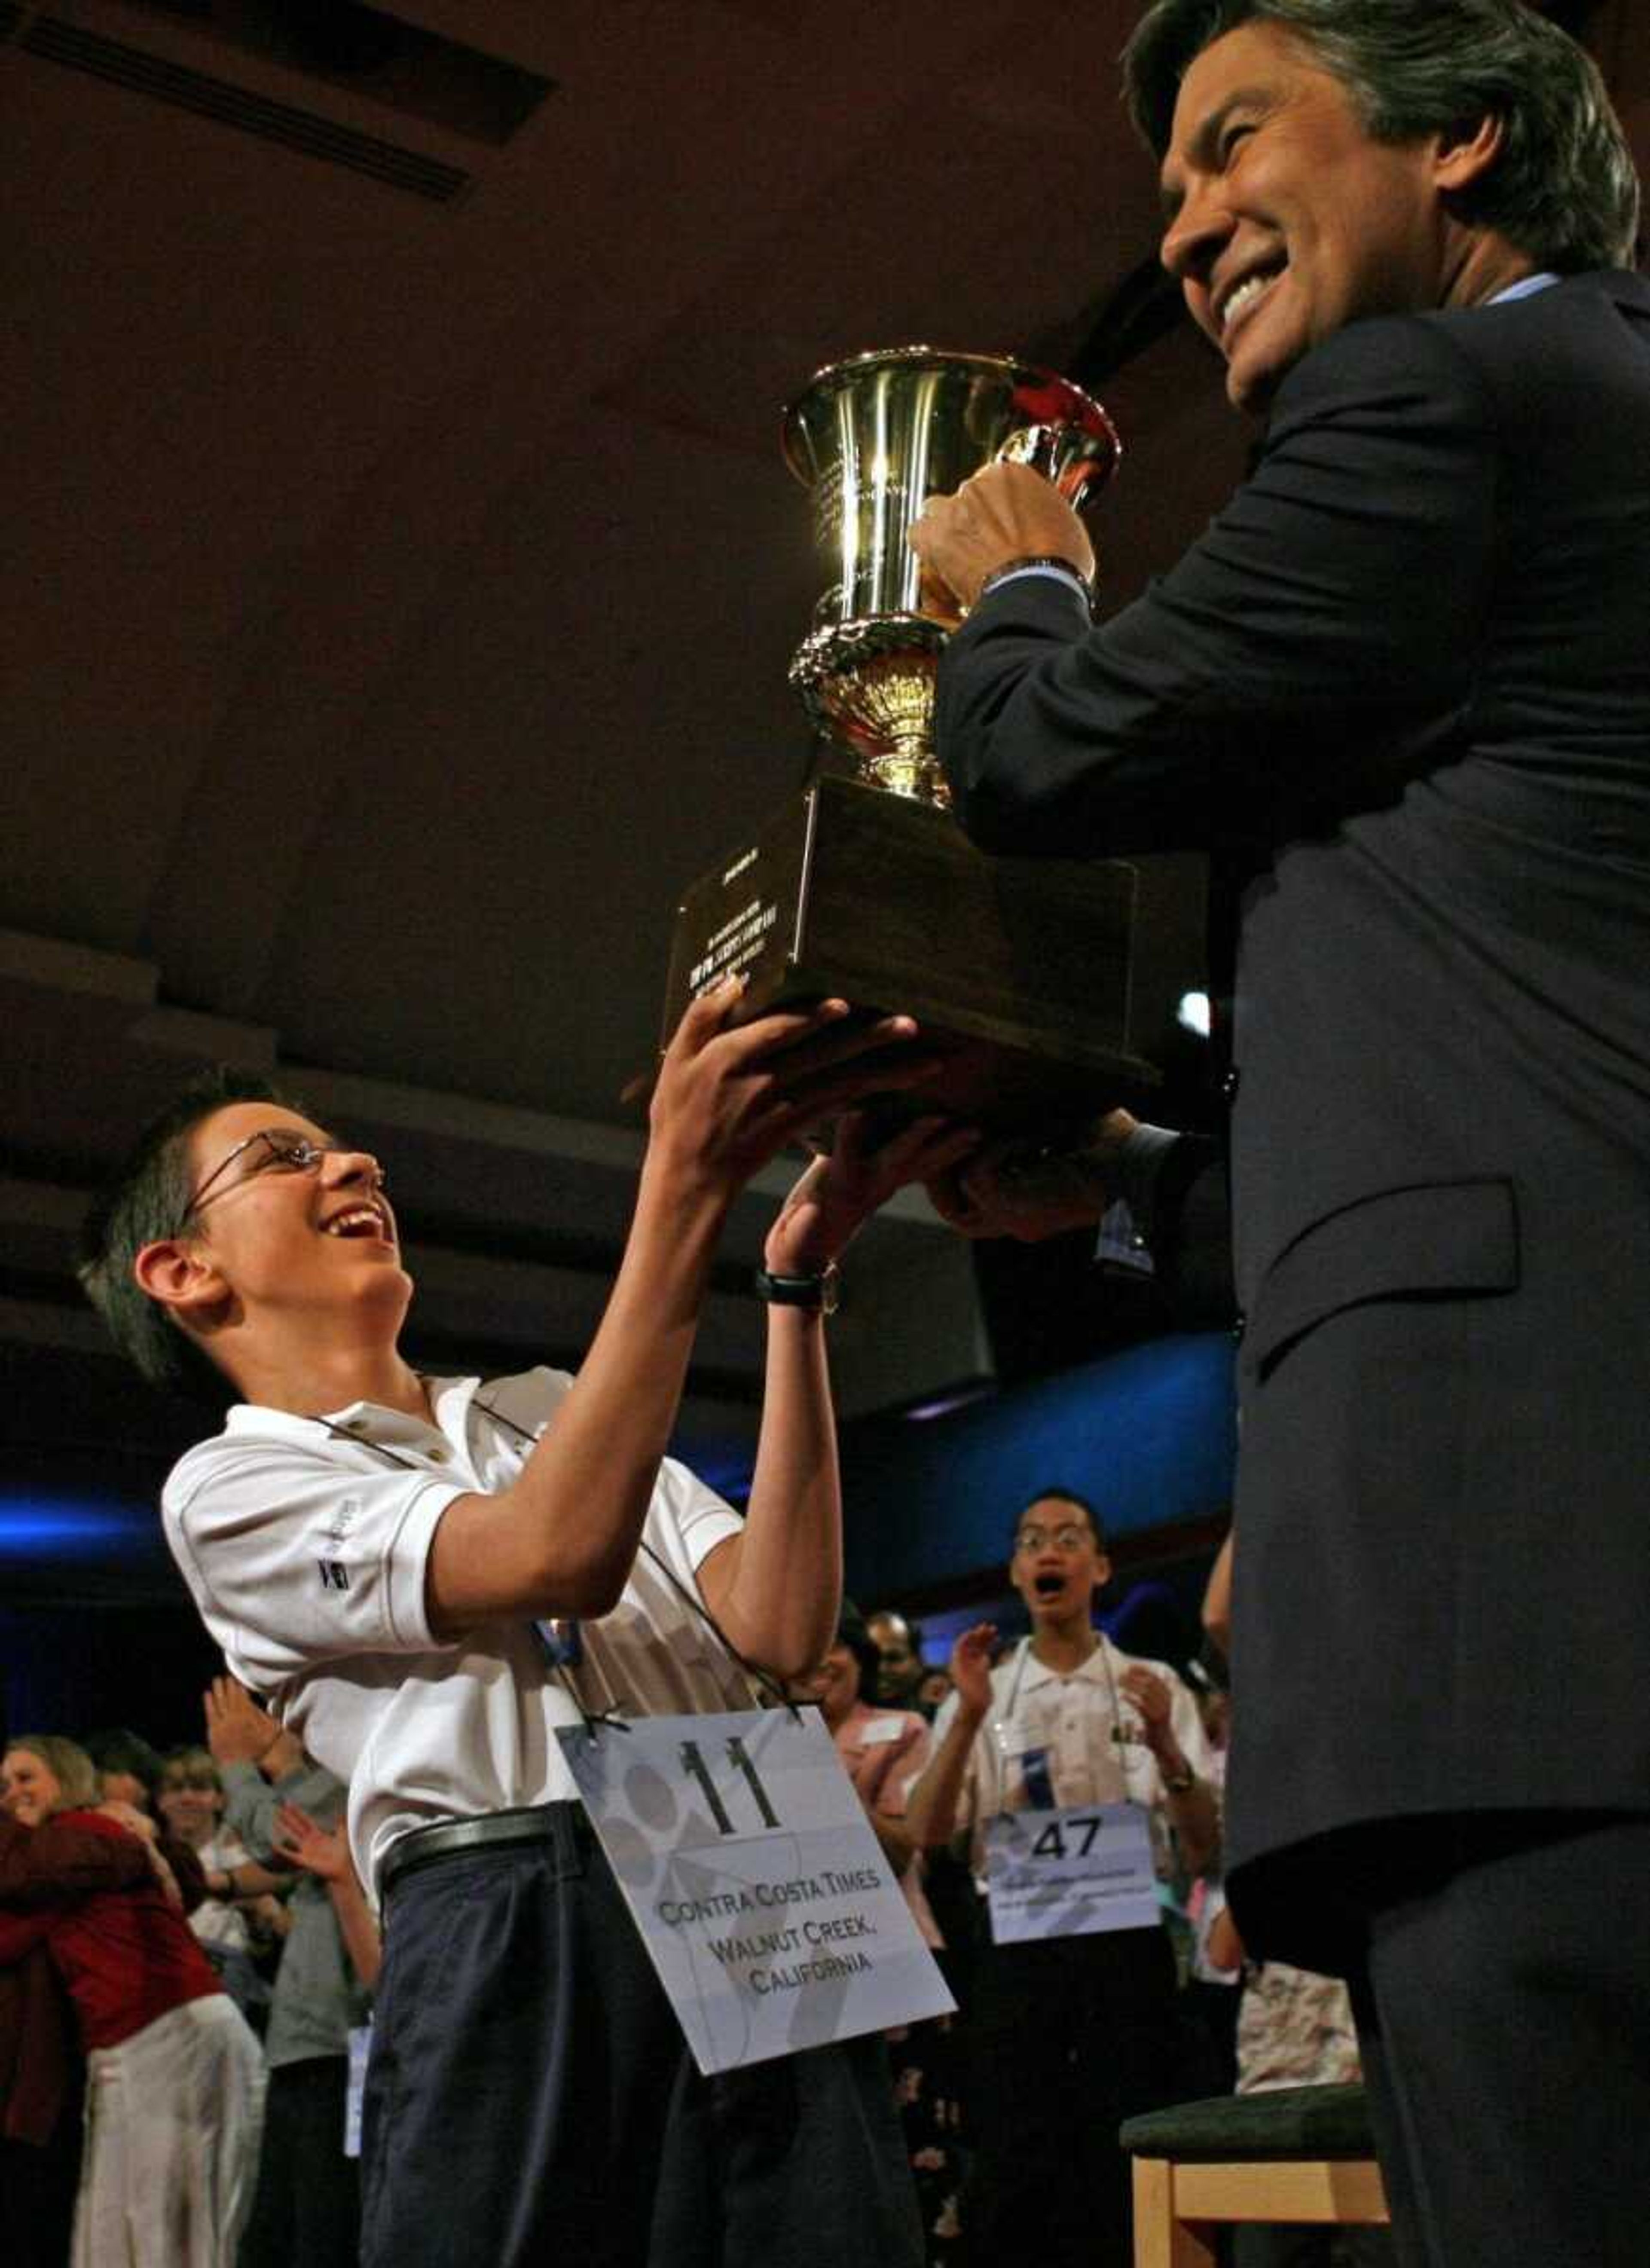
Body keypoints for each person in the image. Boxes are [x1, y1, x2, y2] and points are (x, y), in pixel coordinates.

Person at [908, 6, 1650, 2261]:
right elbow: (1492, 1062)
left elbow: (1047, 755)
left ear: (1470, 138)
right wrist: (1129, 1180)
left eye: (1238, 143)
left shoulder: (1453, 390)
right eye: (1166, 191)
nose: (1192, 221)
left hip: (1533, 1636)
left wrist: (1014, 589)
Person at [76, 980, 975, 2268]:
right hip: (514, 1909)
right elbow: (552, 1551)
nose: (354, 1158)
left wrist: (794, 1287)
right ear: (183, 1268)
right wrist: (678, 1176)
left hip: (751, 1851)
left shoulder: (553, 1410)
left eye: (338, 1142)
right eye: (285, 1157)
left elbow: (777, 1621)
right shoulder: (233, 1484)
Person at [906, 1488, 1217, 2268]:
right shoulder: (987, 1691)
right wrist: (970, 1714)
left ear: (1100, 1566)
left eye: (1069, 1538)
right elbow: (926, 1832)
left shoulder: (1155, 1685)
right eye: (1032, 1539)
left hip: (1129, 1952)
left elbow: (1207, 1852)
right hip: (1016, 1954)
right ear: (1016, 1571)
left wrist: (1166, 1750)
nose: (1050, 1551)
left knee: (1129, 2149)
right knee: (1021, 2161)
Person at [0, 1735, 266, 2267]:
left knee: (161, 2234)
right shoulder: (70, 1852)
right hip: (152, 2041)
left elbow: (170, 1878)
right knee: (132, 2236)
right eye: (3, 1786)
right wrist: (145, 1839)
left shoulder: (78, 1834)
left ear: (69, 1779)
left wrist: (137, 1834)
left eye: (26, 1778)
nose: (11, 1795)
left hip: (167, 2032)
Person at [205, 1675, 370, 2268]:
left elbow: (286, 1839)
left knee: (323, 2231)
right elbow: (292, 1859)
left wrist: (240, 1764)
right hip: (312, 2043)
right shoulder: (329, 1780)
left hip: (342, 2043)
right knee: (283, 2232)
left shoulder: (365, 1767)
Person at [867, 1609, 929, 1709]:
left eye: (894, 1658)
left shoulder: (943, 1719)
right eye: (871, 1659)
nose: (881, 1669)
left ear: (919, 1661)